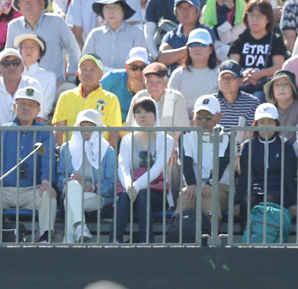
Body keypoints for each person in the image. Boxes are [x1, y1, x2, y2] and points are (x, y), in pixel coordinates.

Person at [0, 86, 56, 243]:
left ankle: (45, 239)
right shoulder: (2, 131)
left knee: (48, 196)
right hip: (3, 190)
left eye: (31, 105)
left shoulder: (45, 132)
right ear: (15, 107)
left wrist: (46, 182)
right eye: (22, 104)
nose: (26, 108)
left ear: (38, 110)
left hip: (31, 190)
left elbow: (48, 160)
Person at [113, 97, 176, 244]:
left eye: (147, 111)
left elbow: (158, 167)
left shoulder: (167, 139)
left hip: (157, 194)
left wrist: (136, 186)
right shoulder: (127, 139)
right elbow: (122, 166)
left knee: (142, 194)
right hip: (131, 191)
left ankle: (146, 241)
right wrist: (129, 185)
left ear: (155, 115)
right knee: (123, 197)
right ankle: (115, 240)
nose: (142, 115)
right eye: (138, 112)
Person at [6, 0, 81, 90]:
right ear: (19, 5)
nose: (28, 5)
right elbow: (8, 56)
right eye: (23, 1)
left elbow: (73, 48)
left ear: (42, 4)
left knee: (68, 88)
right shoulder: (13, 26)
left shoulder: (57, 22)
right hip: (22, 87)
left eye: (33, 0)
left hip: (56, 85)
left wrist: (71, 76)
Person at [58, 108, 116, 243]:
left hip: (97, 195)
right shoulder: (66, 148)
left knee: (69, 202)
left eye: (91, 127)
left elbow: (112, 184)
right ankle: (80, 227)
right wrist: (69, 179)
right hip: (73, 190)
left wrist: (91, 187)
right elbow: (59, 177)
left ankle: (70, 239)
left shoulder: (108, 152)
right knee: (72, 187)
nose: (86, 131)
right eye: (82, 127)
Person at [178, 95, 235, 229]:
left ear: (219, 117)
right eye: (199, 116)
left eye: (208, 117)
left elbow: (221, 163)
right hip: (194, 185)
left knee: (209, 195)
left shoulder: (226, 135)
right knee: (186, 195)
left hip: (220, 185)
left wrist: (210, 183)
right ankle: (178, 236)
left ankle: (210, 239)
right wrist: (192, 184)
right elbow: (186, 161)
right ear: (193, 115)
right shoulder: (186, 134)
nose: (203, 121)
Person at [236, 102, 298, 217]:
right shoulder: (248, 146)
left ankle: (270, 233)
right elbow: (244, 176)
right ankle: (249, 232)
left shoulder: (285, 145)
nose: (266, 126)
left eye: (270, 122)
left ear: (276, 124)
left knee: (270, 200)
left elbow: (290, 176)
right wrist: (236, 202)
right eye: (262, 122)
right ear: (256, 125)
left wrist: (295, 202)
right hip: (256, 188)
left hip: (278, 189)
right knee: (248, 200)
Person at [53, 54, 123, 138]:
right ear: (78, 74)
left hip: (99, 150)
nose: (87, 73)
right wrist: (60, 151)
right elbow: (58, 130)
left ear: (101, 74)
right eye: (84, 69)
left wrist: (106, 151)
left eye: (92, 70)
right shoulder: (65, 97)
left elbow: (114, 133)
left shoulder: (111, 99)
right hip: (71, 150)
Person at [229, 0, 288, 97]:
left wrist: (258, 74)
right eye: (251, 15)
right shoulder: (239, 41)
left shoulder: (275, 40)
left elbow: (279, 67)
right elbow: (232, 67)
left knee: (258, 97)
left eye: (259, 16)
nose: (254, 19)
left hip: (265, 87)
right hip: (242, 85)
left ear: (268, 19)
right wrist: (243, 75)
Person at [83, 0, 149, 70]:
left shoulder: (137, 33)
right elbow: (86, 62)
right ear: (102, 12)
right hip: (101, 80)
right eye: (106, 8)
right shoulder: (95, 34)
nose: (111, 12)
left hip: (128, 80)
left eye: (115, 7)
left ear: (123, 10)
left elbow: (140, 65)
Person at [167, 28, 220, 109]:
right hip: (182, 120)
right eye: (193, 45)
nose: (197, 48)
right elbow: (169, 106)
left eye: (202, 45)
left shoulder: (219, 73)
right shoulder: (178, 74)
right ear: (188, 49)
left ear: (211, 49)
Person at [127, 61, 190, 127]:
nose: (153, 86)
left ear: (166, 83)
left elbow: (180, 131)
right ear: (144, 82)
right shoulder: (139, 98)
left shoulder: (175, 98)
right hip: (142, 137)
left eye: (158, 82)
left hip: (169, 137)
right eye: (150, 81)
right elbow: (130, 126)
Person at [158, 0, 209, 67]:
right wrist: (192, 49)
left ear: (198, 12)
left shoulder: (207, 33)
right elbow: (162, 58)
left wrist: (175, 55)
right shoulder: (170, 36)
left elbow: (207, 56)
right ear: (176, 13)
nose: (185, 11)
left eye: (190, 7)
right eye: (181, 7)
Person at [15, 33, 57, 117]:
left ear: (40, 54)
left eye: (33, 47)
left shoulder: (49, 77)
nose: (28, 50)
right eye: (25, 46)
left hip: (37, 125)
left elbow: (45, 107)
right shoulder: (12, 75)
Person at [101, 47, 149, 119]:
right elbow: (94, 96)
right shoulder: (112, 78)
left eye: (143, 67)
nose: (138, 72)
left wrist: (140, 93)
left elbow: (148, 116)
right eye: (134, 67)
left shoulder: (151, 85)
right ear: (127, 68)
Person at [213, 60, 260, 131]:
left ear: (241, 80)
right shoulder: (210, 101)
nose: (226, 81)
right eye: (222, 77)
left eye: (231, 77)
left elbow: (251, 134)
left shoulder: (252, 103)